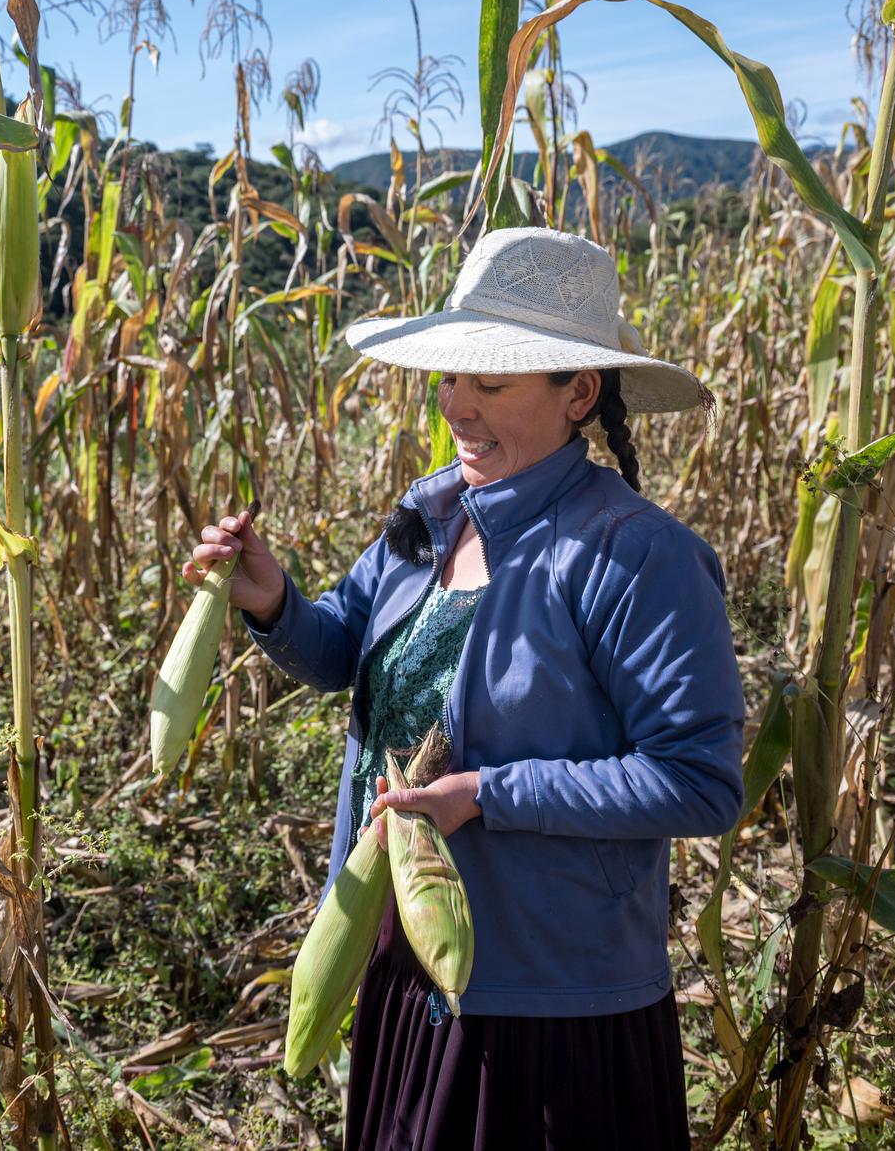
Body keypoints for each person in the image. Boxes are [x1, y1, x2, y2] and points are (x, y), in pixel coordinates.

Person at [186, 227, 746, 1149]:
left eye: (491, 383)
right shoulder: (435, 508)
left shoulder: (640, 557)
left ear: (579, 392)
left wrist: (485, 796)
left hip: (550, 1007)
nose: (458, 406)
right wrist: (273, 601)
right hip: (407, 969)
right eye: (451, 378)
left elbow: (698, 780)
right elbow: (347, 656)